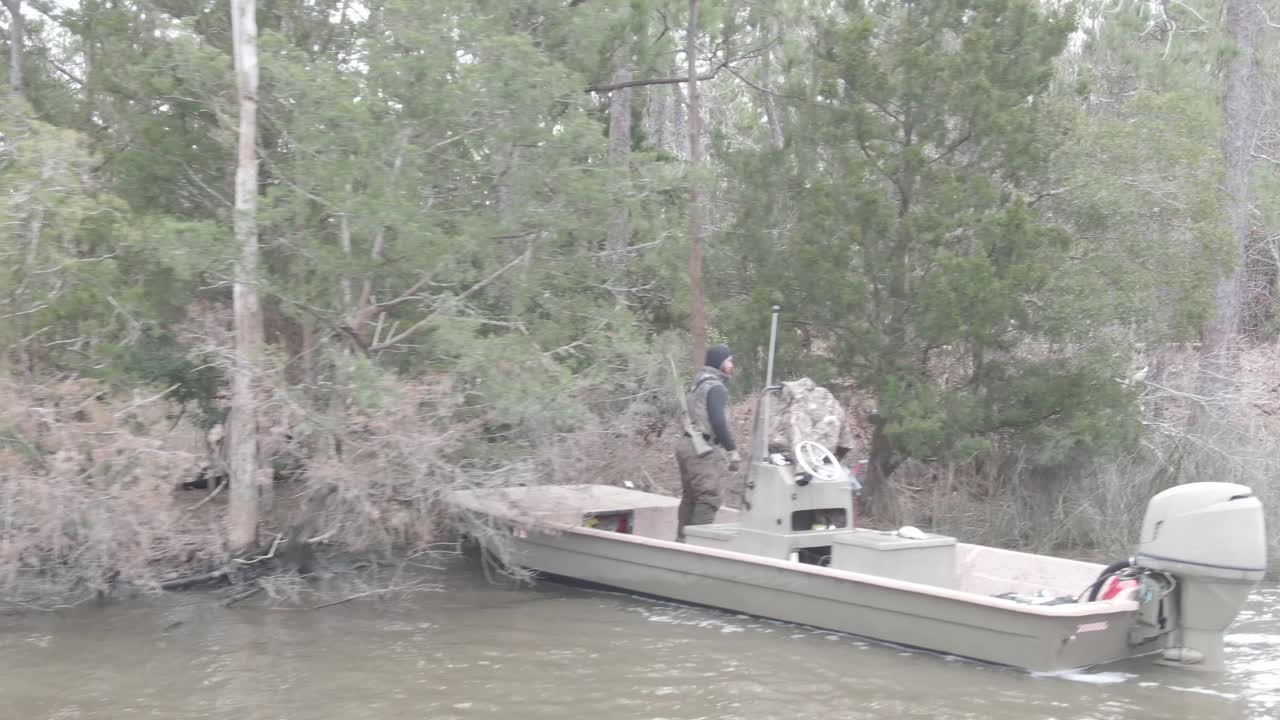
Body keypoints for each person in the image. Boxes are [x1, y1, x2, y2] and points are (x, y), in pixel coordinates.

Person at [676, 343, 741, 540]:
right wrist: (732, 451)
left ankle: (681, 544)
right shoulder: (715, 387)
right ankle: (696, 547)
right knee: (708, 499)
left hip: (686, 445)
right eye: (729, 361)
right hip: (702, 450)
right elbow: (718, 423)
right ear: (720, 363)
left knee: (691, 498)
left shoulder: (696, 384)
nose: (732, 365)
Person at [767, 377, 855, 463]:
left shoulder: (797, 407)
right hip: (828, 448)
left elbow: (796, 435)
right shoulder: (825, 397)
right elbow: (845, 439)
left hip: (812, 452)